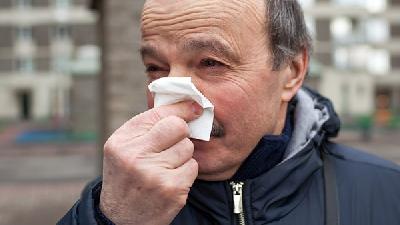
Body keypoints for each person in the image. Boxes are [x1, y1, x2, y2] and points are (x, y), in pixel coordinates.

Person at [58, 0, 400, 225]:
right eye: (155, 68)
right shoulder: (117, 198)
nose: (172, 102)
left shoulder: (386, 193)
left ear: (293, 71)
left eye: (210, 63)